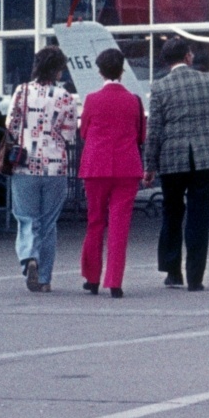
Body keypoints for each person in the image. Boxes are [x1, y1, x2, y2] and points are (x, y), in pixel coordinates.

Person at [144, 39, 209, 291]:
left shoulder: (160, 88)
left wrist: (149, 165)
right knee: (199, 218)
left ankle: (173, 272)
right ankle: (195, 277)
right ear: (187, 57)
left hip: (173, 161)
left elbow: (153, 131)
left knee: (172, 213)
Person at [9, 46, 78, 293]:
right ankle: (45, 278)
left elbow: (11, 125)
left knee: (26, 218)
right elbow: (70, 135)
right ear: (58, 69)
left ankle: (30, 258)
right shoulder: (65, 96)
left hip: (24, 166)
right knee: (48, 223)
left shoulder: (21, 91)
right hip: (55, 167)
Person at [78, 48, 145, 298]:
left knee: (95, 221)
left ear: (100, 71)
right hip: (127, 166)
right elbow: (141, 134)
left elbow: (84, 131)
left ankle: (92, 277)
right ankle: (114, 281)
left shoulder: (92, 99)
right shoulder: (134, 100)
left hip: (96, 166)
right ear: (122, 70)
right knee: (120, 225)